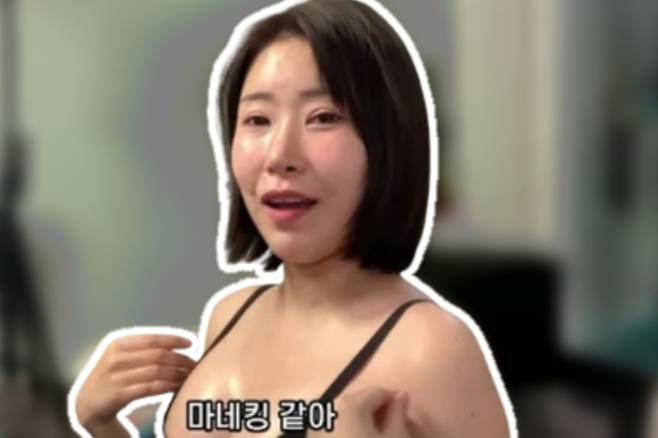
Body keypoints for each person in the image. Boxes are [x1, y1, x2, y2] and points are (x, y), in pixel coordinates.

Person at [70, 0, 514, 437]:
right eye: (257, 119)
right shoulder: (229, 314)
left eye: (323, 118)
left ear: (389, 142)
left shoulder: (431, 350)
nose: (279, 154)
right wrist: (101, 424)